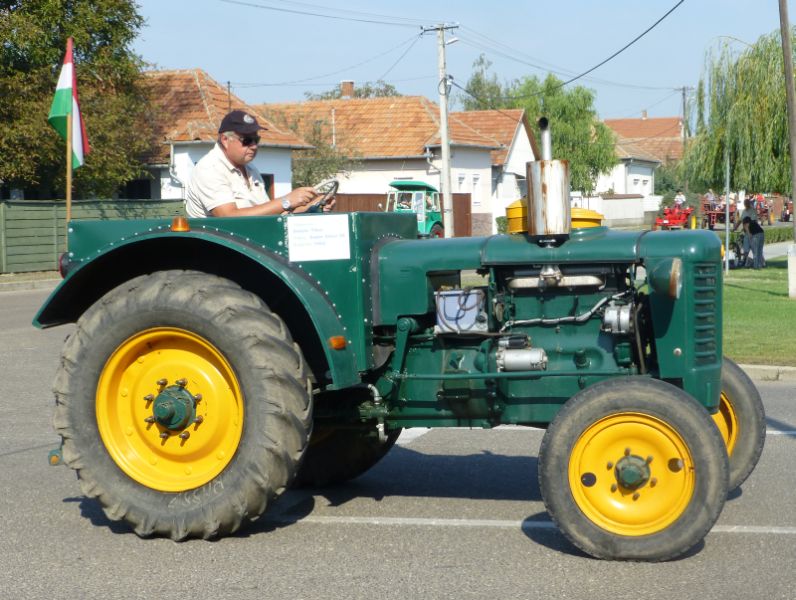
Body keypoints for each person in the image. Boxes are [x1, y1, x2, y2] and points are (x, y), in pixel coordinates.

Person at [185, 110, 332, 218]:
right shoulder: (210, 169)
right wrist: (286, 201)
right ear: (225, 139)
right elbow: (228, 217)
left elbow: (267, 214)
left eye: (256, 140)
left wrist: (310, 205)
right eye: (247, 140)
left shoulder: (250, 169)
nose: (254, 146)